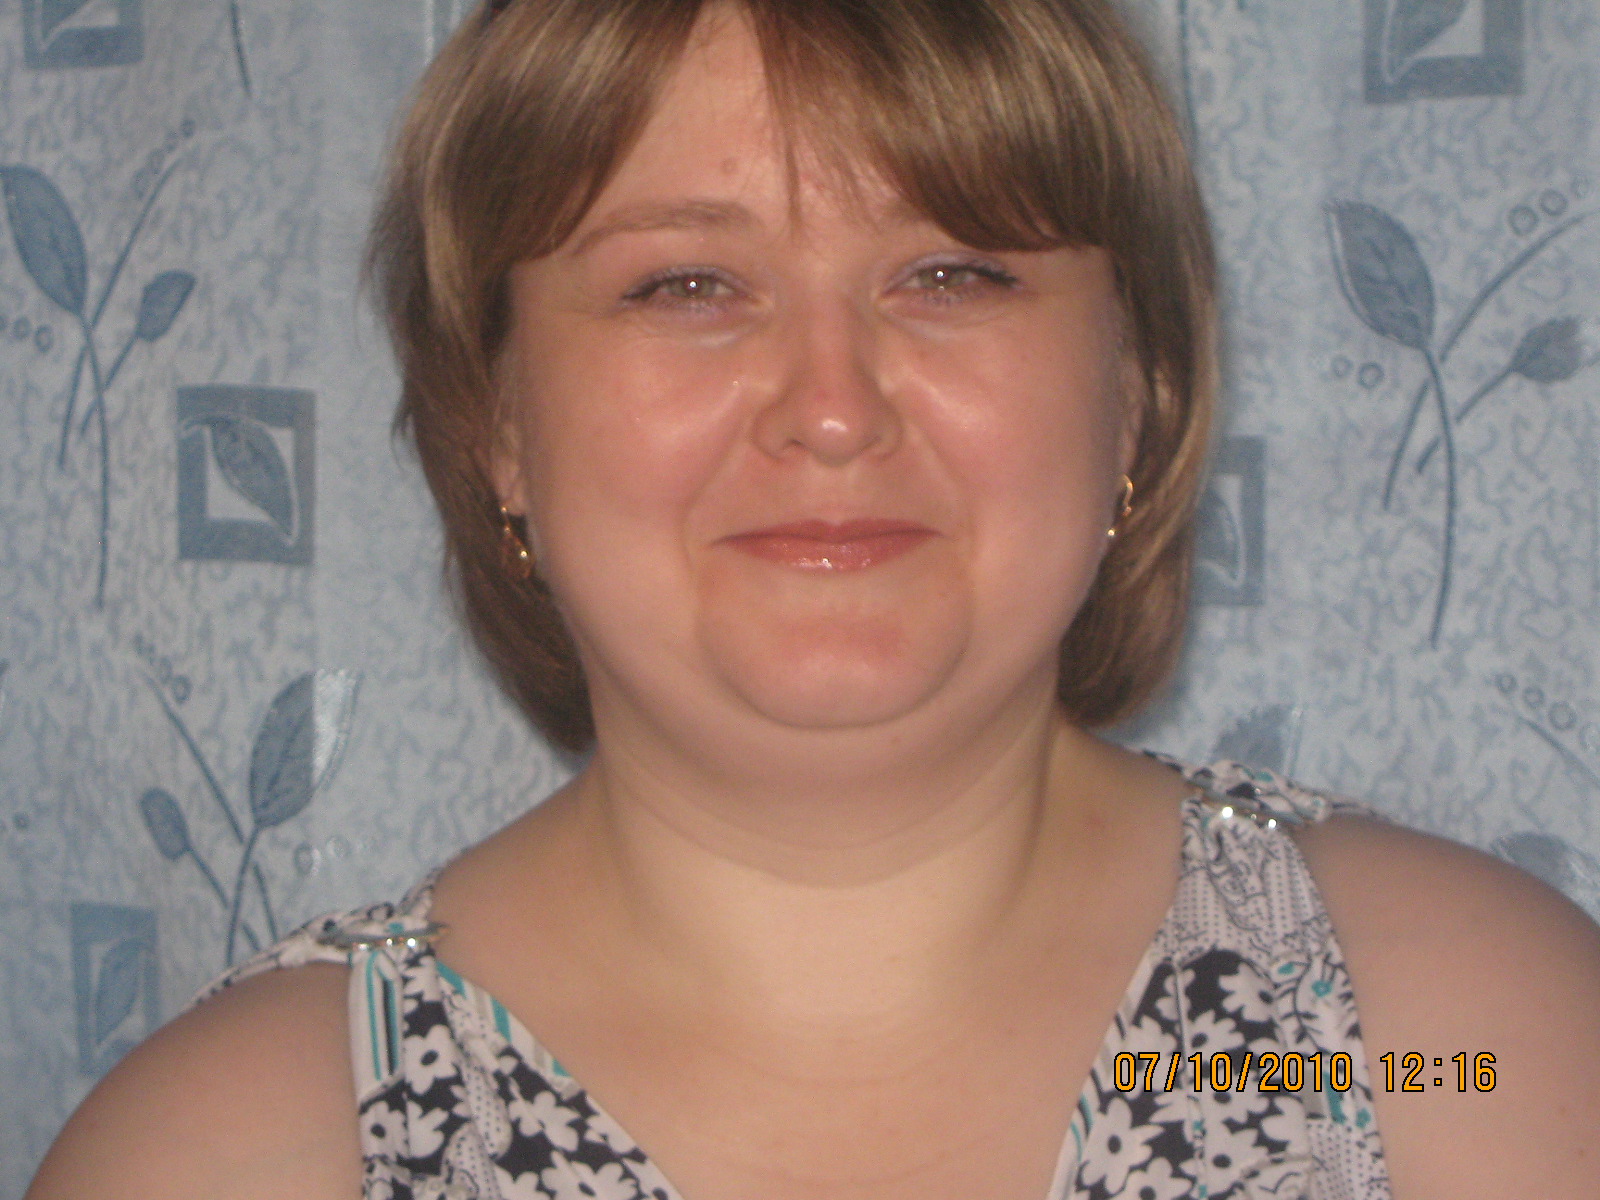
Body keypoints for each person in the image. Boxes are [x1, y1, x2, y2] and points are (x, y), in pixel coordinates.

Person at [26, 0, 1600, 1197]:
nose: (833, 408)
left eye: (955, 272)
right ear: (497, 423)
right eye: (685, 284)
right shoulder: (229, 1153)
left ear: (1135, 394)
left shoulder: (1454, 1049)